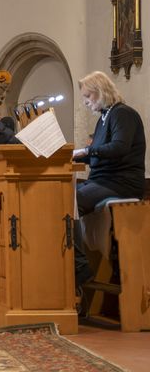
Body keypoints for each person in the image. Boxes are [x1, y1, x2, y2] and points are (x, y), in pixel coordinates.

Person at [72, 71, 146, 286]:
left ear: (101, 92)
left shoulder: (123, 113)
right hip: (103, 180)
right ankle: (78, 264)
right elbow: (100, 154)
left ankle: (80, 266)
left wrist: (85, 151)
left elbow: (119, 148)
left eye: (88, 96)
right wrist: (80, 155)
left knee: (70, 203)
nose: (85, 102)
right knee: (63, 199)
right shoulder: (105, 117)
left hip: (120, 182)